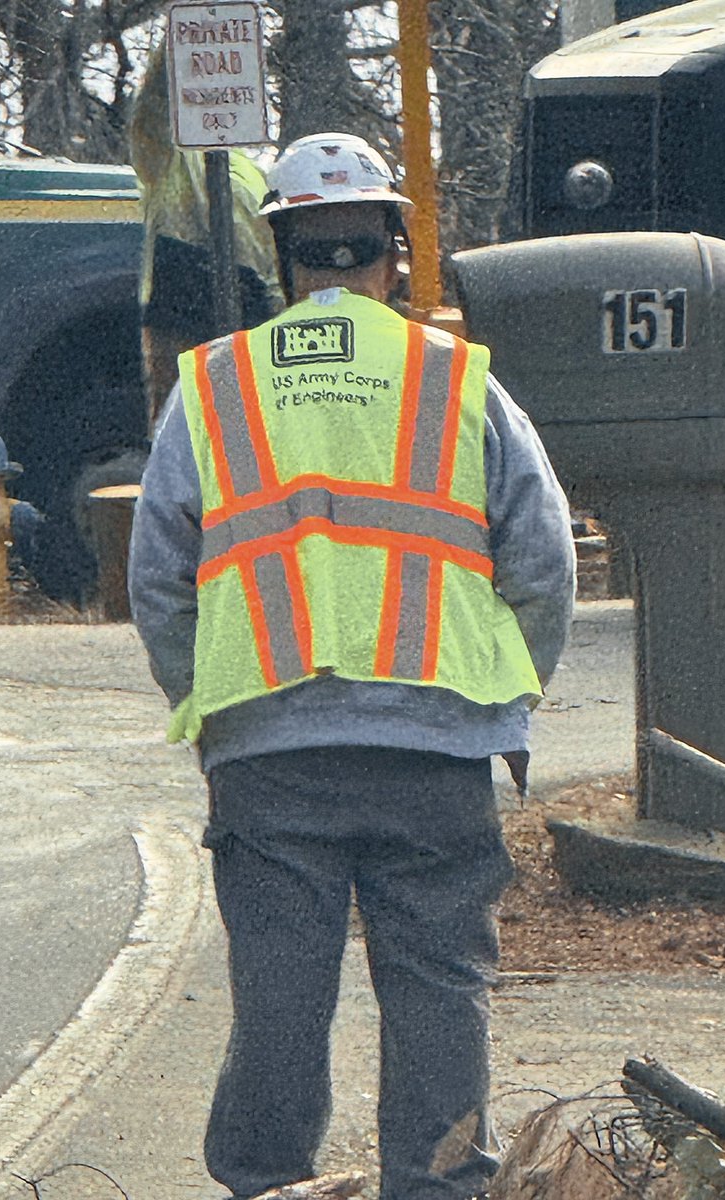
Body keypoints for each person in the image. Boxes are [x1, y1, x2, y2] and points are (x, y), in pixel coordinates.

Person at [128, 132, 576, 1200]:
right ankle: (435, 1185)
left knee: (280, 996)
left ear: (281, 259)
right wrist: (502, 702)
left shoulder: (214, 389)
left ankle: (266, 1184)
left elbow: (157, 579)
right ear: (393, 253)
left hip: (270, 760)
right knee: (436, 990)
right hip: (435, 755)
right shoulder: (458, 382)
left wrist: (210, 707)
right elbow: (543, 560)